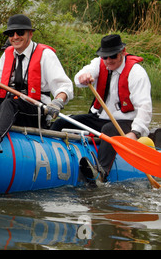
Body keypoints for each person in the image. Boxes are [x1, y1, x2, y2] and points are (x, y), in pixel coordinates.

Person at [0, 14, 74, 161]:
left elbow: (65, 86)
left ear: (30, 34)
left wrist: (57, 102)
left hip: (35, 110)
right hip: (8, 105)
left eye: (20, 33)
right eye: (11, 34)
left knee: (10, 103)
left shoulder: (45, 55)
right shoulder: (7, 54)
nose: (15, 37)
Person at [51, 34, 152, 182]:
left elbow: (145, 107)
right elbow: (81, 75)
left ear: (123, 51)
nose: (108, 60)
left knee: (109, 130)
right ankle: (49, 154)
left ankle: (101, 173)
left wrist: (135, 133)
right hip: (100, 118)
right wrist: (84, 77)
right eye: (105, 57)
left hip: (126, 123)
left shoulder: (136, 73)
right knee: (62, 121)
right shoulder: (99, 63)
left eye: (112, 56)